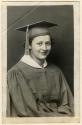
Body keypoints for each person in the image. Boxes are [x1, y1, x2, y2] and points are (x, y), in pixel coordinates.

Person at [7, 21, 74, 117]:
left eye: (48, 43)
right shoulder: (16, 73)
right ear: (29, 45)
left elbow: (67, 103)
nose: (45, 48)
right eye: (39, 43)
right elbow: (26, 111)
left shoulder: (56, 71)